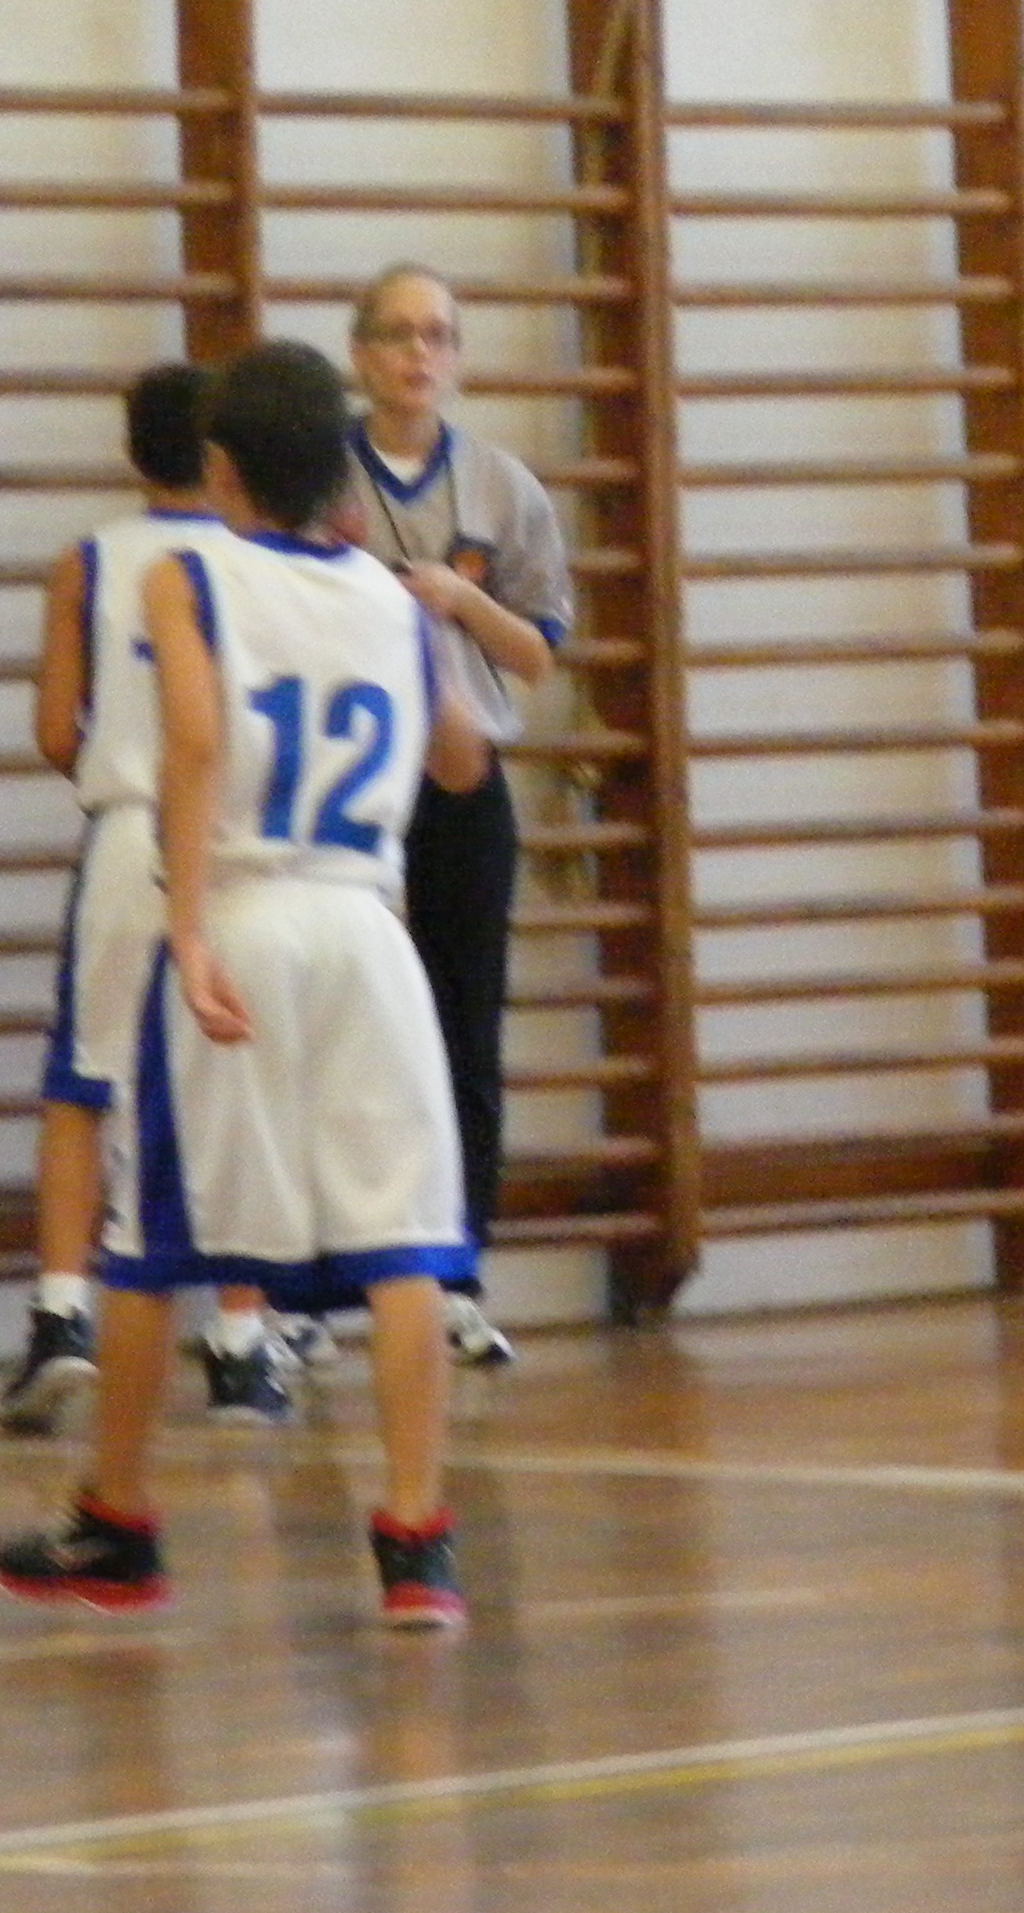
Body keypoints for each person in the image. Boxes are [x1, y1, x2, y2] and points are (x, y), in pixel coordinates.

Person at [0, 339, 490, 1627]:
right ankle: (419, 1547)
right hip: (366, 929)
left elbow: (198, 742)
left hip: (249, 914)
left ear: (219, 468)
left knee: (154, 1239)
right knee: (404, 1243)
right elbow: (459, 763)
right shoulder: (390, 597)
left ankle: (116, 1521)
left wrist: (189, 927)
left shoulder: (186, 572)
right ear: (338, 471)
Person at [0, 364, 295, 1435]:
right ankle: (241, 1345)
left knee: (83, 1084)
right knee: (242, 1083)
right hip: (239, 839)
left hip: (130, 834)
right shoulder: (267, 564)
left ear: (133, 454)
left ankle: (60, 1315)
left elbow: (52, 731)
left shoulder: (87, 563)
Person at [339, 263, 571, 1369]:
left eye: (437, 334)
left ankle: (460, 1274)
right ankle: (313, 1288)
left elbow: (535, 655)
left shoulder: (502, 488)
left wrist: (462, 597)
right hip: (344, 787)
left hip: (465, 787)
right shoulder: (322, 477)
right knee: (345, 1029)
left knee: (463, 1029)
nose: (417, 354)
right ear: (360, 353)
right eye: (396, 334)